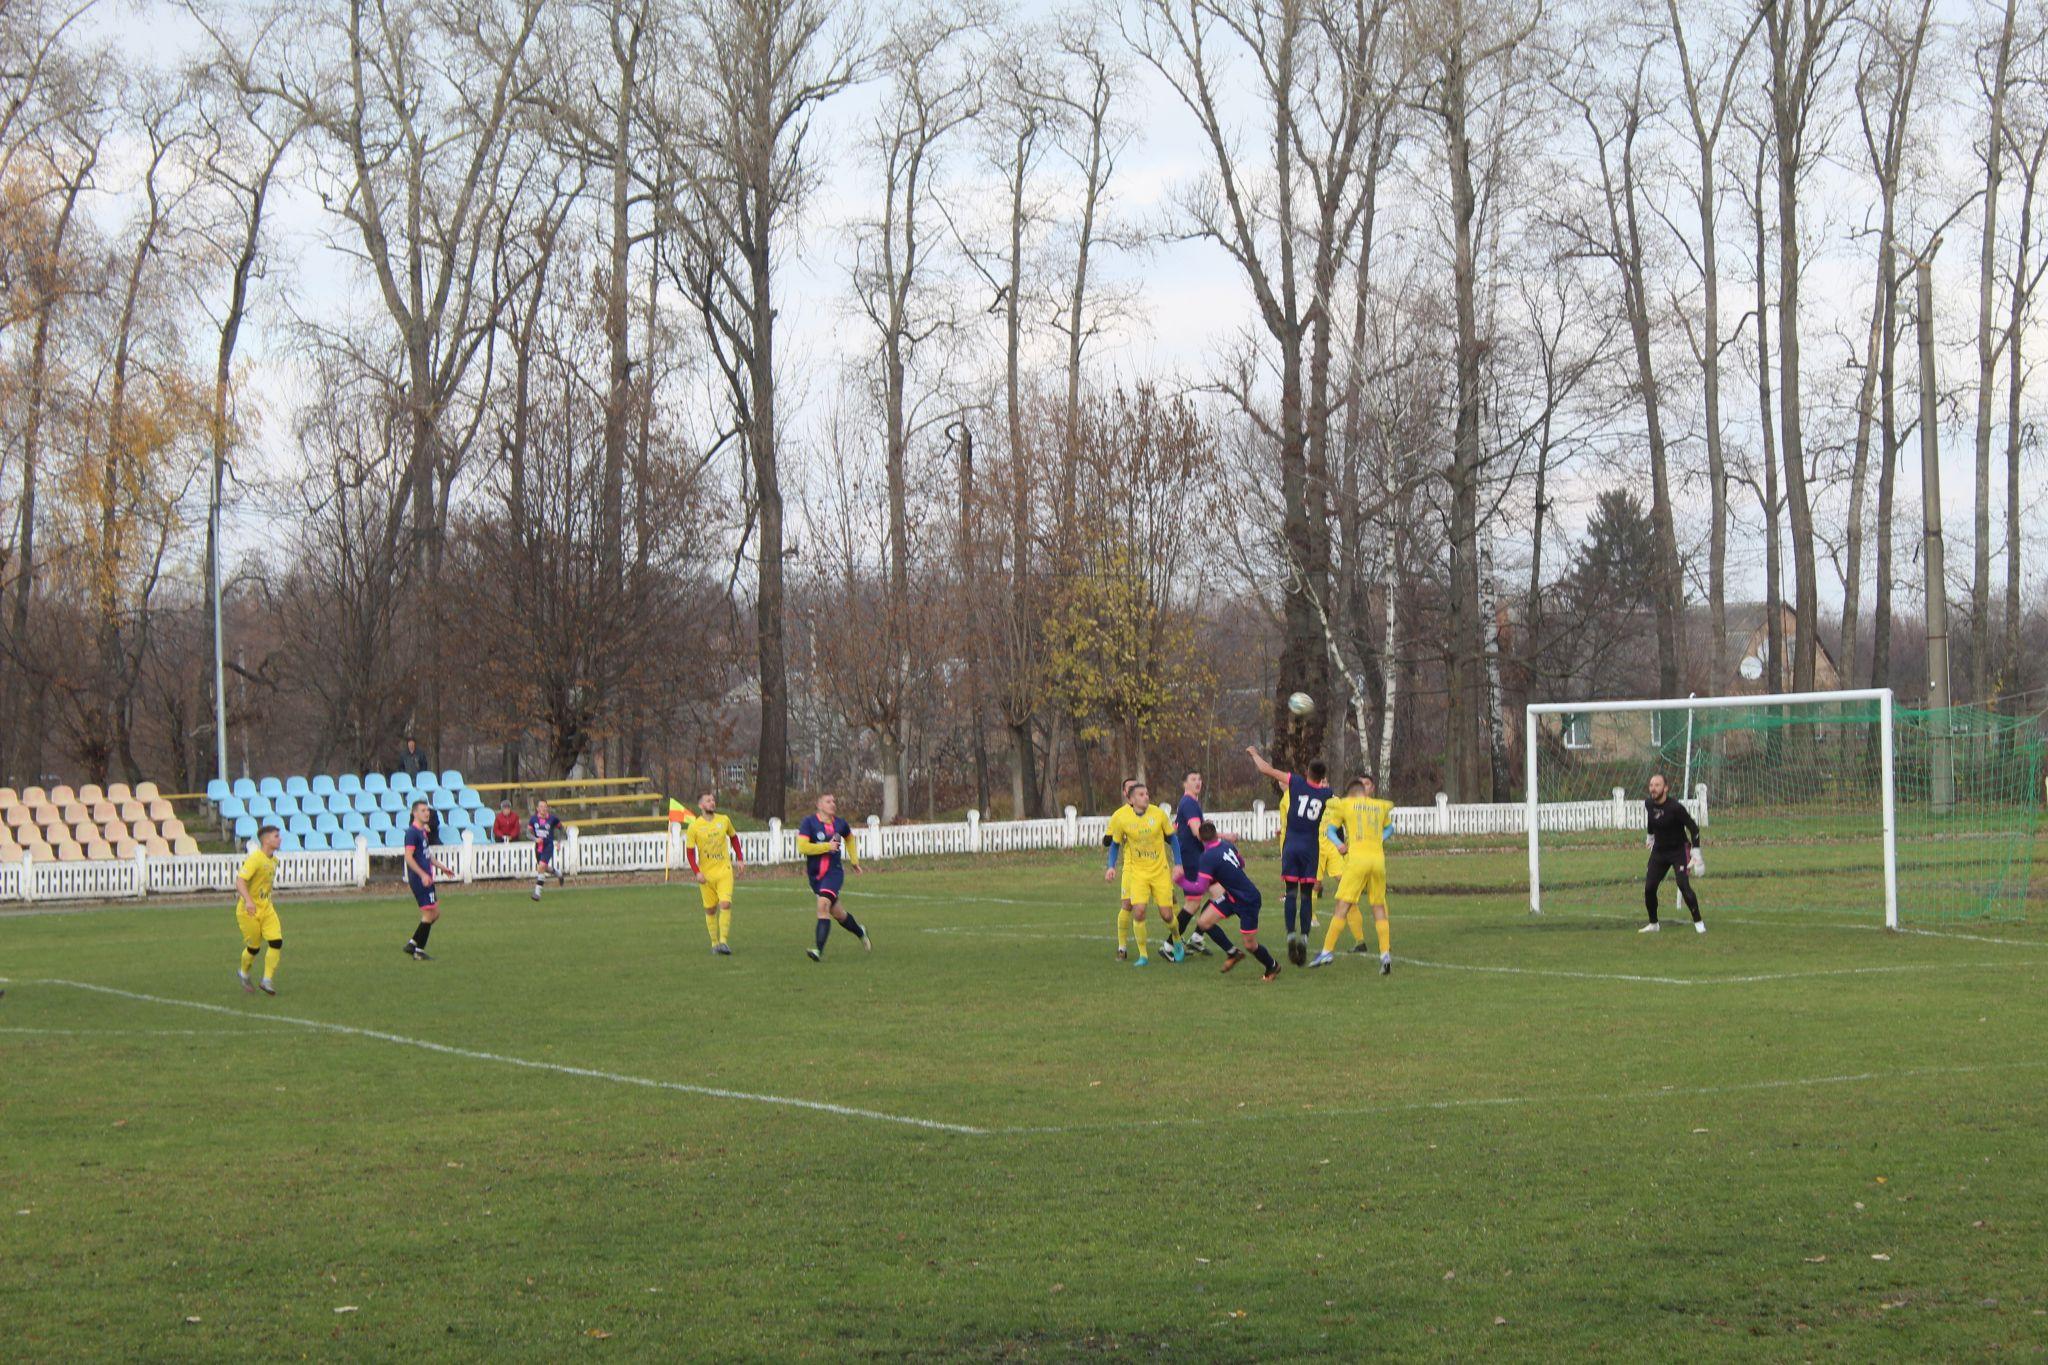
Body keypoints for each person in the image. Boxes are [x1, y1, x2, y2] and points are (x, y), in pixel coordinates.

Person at [1246, 745, 1331, 965]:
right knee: (1306, 896)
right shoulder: (1326, 793)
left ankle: (1290, 935)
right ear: (1323, 778)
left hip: (1291, 846)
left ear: (1308, 774)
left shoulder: (1297, 782)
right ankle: (1304, 937)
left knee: (1291, 893)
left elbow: (1266, 769)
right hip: (1311, 849)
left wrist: (1255, 754)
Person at [1173, 820, 1281, 981]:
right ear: (1216, 834)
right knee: (1204, 923)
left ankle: (1272, 966)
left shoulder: (1207, 857)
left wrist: (1180, 881)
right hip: (1231, 896)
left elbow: (1199, 888)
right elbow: (1241, 863)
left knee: (1250, 944)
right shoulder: (1227, 846)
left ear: (1200, 840)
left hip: (1247, 900)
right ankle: (1233, 953)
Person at [1312, 775, 1396, 974]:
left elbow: (1331, 831)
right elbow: (1389, 828)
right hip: (1378, 861)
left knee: (1343, 904)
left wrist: (1340, 845)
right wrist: (1379, 839)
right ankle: (1385, 954)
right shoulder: (1379, 806)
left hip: (1357, 860)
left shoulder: (1345, 805)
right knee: (1378, 906)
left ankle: (1326, 951)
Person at [1104, 780, 1179, 967]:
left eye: (1147, 793)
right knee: (1138, 911)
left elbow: (1173, 840)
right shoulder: (1122, 818)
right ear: (1130, 799)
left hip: (1160, 871)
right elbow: (1114, 845)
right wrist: (1111, 866)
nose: (1146, 797)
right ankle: (1143, 955)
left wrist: (1178, 864)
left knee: (1167, 915)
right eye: (1141, 794)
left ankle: (1177, 939)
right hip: (1138, 873)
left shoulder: (1159, 814)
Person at [796, 793, 869, 961]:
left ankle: (818, 950)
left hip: (834, 873)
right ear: (819, 804)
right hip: (815, 876)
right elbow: (802, 847)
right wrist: (826, 846)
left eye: (834, 801)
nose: (833, 804)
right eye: (828, 801)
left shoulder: (840, 823)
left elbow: (850, 839)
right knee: (839, 914)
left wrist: (854, 861)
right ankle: (860, 931)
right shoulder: (809, 823)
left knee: (822, 906)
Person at [1642, 773, 1705, 934]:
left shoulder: (1675, 808)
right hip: (1659, 851)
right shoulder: (1649, 804)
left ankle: (1699, 923)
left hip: (1679, 850)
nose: (1653, 788)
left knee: (1682, 884)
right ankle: (1653, 924)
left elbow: (1694, 828)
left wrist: (1696, 852)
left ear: (1666, 788)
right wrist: (1650, 836)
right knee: (1649, 888)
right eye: (1651, 785)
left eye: (1657, 785)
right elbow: (1651, 818)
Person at [686, 792, 744, 955]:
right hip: (706, 875)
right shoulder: (694, 826)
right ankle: (714, 943)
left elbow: (733, 837)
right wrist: (697, 872)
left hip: (724, 870)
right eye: (708, 800)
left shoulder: (724, 820)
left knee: (725, 903)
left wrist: (740, 858)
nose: (712, 802)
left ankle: (724, 941)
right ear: (701, 806)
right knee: (710, 910)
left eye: (713, 800)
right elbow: (690, 853)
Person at [402, 799, 456, 960]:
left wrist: (442, 867)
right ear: (415, 813)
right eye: (423, 810)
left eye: (427, 810)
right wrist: (422, 874)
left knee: (435, 913)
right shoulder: (411, 833)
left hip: (427, 877)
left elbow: (427, 855)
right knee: (428, 915)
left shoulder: (422, 832)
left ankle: (413, 943)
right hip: (420, 879)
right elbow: (408, 858)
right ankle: (418, 951)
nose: (427, 813)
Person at [234, 824, 284, 996]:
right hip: (249, 910)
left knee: (276, 941)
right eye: (276, 836)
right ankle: (243, 972)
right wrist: (248, 901)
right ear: (267, 840)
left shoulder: (274, 860)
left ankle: (267, 980)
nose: (280, 839)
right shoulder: (255, 859)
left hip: (267, 908)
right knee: (254, 948)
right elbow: (240, 881)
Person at [1170, 771, 1214, 954]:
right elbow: (1198, 832)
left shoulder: (1188, 803)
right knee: (1198, 901)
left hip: (1194, 857)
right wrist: (1224, 838)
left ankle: (1194, 937)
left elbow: (1175, 828)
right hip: (1192, 858)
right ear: (1184, 784)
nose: (1198, 782)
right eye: (1193, 779)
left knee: (1206, 898)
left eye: (1199, 779)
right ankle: (1173, 943)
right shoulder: (1188, 803)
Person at [528, 800, 565, 901]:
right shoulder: (533, 819)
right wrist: (535, 839)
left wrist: (558, 842)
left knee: (541, 866)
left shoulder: (553, 819)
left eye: (545, 807)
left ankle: (537, 893)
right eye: (541, 807)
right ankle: (558, 873)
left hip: (548, 846)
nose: (543, 809)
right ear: (537, 808)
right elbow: (528, 833)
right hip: (538, 847)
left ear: (547, 808)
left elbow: (561, 829)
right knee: (543, 868)